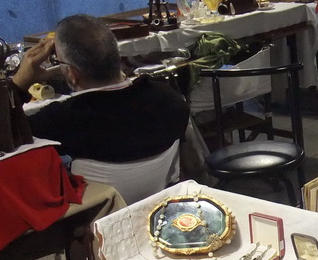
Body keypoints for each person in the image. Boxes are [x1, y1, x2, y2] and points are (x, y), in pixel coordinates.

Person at [13, 14, 189, 163]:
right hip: (157, 197)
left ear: (72, 74)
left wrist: (18, 85)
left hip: (101, 202)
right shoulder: (171, 100)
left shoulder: (61, 121)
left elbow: (2, 137)